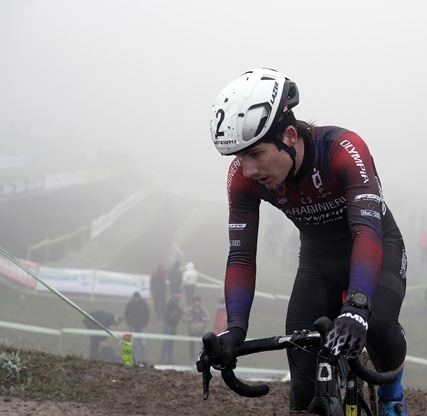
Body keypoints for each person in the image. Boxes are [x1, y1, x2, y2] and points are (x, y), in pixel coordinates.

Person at [204, 68, 409, 415]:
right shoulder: (243, 178)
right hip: (318, 263)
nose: (248, 169)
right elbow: (241, 256)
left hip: (375, 245)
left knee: (376, 325)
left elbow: (366, 230)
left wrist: (358, 306)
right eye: (239, 157)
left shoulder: (343, 150)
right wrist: (234, 329)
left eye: (255, 154)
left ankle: (392, 395)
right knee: (302, 386)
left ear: (289, 135)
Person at [124, 291, 150, 363]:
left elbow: (147, 315)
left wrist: (144, 324)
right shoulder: (130, 304)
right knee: (133, 345)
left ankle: (144, 360)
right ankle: (133, 360)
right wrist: (130, 324)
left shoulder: (144, 304)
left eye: (137, 299)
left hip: (142, 327)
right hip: (132, 327)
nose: (136, 300)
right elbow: (126, 314)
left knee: (143, 344)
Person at [159, 291, 184, 365]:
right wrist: (181, 310)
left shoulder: (175, 303)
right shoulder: (173, 302)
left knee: (170, 345)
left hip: (173, 326)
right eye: (180, 295)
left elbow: (176, 314)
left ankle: (169, 360)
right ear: (177, 294)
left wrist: (181, 311)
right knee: (166, 344)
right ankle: (162, 361)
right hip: (168, 325)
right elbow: (173, 313)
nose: (181, 297)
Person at [183, 295, 210, 360]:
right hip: (192, 330)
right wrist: (190, 319)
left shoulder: (203, 309)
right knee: (191, 344)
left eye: (198, 301)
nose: (197, 303)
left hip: (200, 330)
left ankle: (203, 356)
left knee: (202, 344)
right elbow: (184, 319)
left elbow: (208, 318)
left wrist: (202, 319)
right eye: (196, 301)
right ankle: (191, 357)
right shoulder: (190, 309)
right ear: (194, 302)